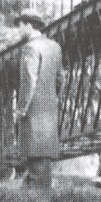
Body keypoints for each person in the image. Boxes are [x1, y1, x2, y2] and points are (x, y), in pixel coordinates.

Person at [15, 10, 63, 188]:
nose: (19, 31)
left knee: (34, 158)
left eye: (20, 26)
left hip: (33, 112)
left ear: (28, 25)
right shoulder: (55, 47)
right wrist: (50, 100)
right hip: (48, 113)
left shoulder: (30, 48)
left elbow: (29, 80)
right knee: (43, 161)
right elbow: (60, 79)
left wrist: (21, 109)